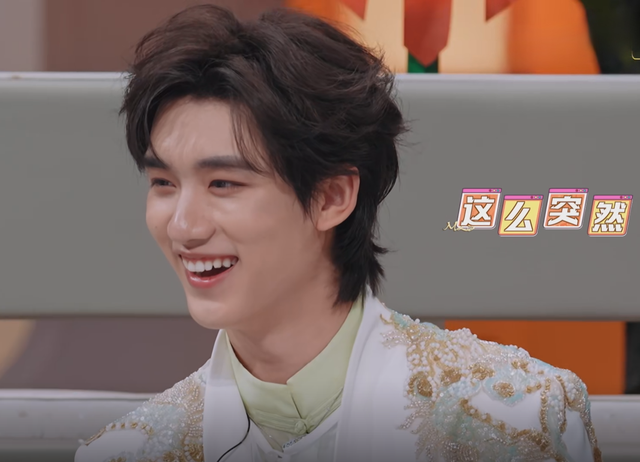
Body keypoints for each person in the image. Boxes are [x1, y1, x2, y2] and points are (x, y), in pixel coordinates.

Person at [75, 5, 600, 462]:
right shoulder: (131, 450)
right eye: (163, 183)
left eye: (224, 184)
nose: (184, 226)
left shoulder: (517, 420)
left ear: (332, 197)